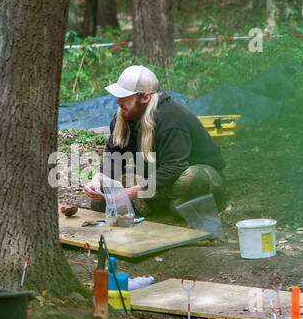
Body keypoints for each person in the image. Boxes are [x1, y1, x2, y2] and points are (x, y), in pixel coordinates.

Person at [82, 65, 227, 219]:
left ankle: (161, 203)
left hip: (196, 173)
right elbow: (114, 157)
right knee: (102, 199)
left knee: (191, 178)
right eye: (118, 96)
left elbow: (175, 166)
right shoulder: (124, 116)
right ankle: (164, 204)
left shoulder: (171, 118)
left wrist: (132, 192)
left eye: (125, 97)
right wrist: (98, 178)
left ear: (145, 97)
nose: (118, 101)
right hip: (158, 176)